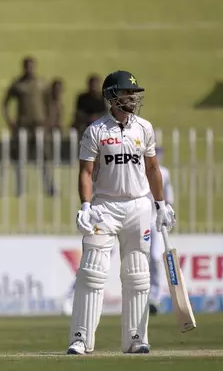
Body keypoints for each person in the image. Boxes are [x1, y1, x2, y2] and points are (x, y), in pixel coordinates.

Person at [67, 70, 176, 355]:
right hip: (104, 206)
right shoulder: (96, 131)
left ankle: (136, 338)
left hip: (138, 206)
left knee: (137, 273)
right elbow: (86, 172)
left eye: (134, 94)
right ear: (112, 98)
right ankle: (81, 338)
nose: (132, 99)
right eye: (127, 94)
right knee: (92, 271)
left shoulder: (144, 128)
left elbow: (152, 169)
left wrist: (161, 204)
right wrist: (86, 205)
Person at [1, 57, 55, 196]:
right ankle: (20, 188)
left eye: (31, 66)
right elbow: (5, 103)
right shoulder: (18, 84)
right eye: (26, 66)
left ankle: (49, 187)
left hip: (39, 125)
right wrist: (10, 121)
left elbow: (51, 103)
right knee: (20, 157)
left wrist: (49, 121)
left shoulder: (42, 84)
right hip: (23, 125)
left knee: (44, 156)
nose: (29, 69)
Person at [148, 147, 175, 315]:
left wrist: (167, 212)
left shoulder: (164, 173)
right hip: (139, 219)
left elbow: (168, 198)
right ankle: (141, 296)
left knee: (156, 256)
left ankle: (155, 297)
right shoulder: (138, 169)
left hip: (155, 221)